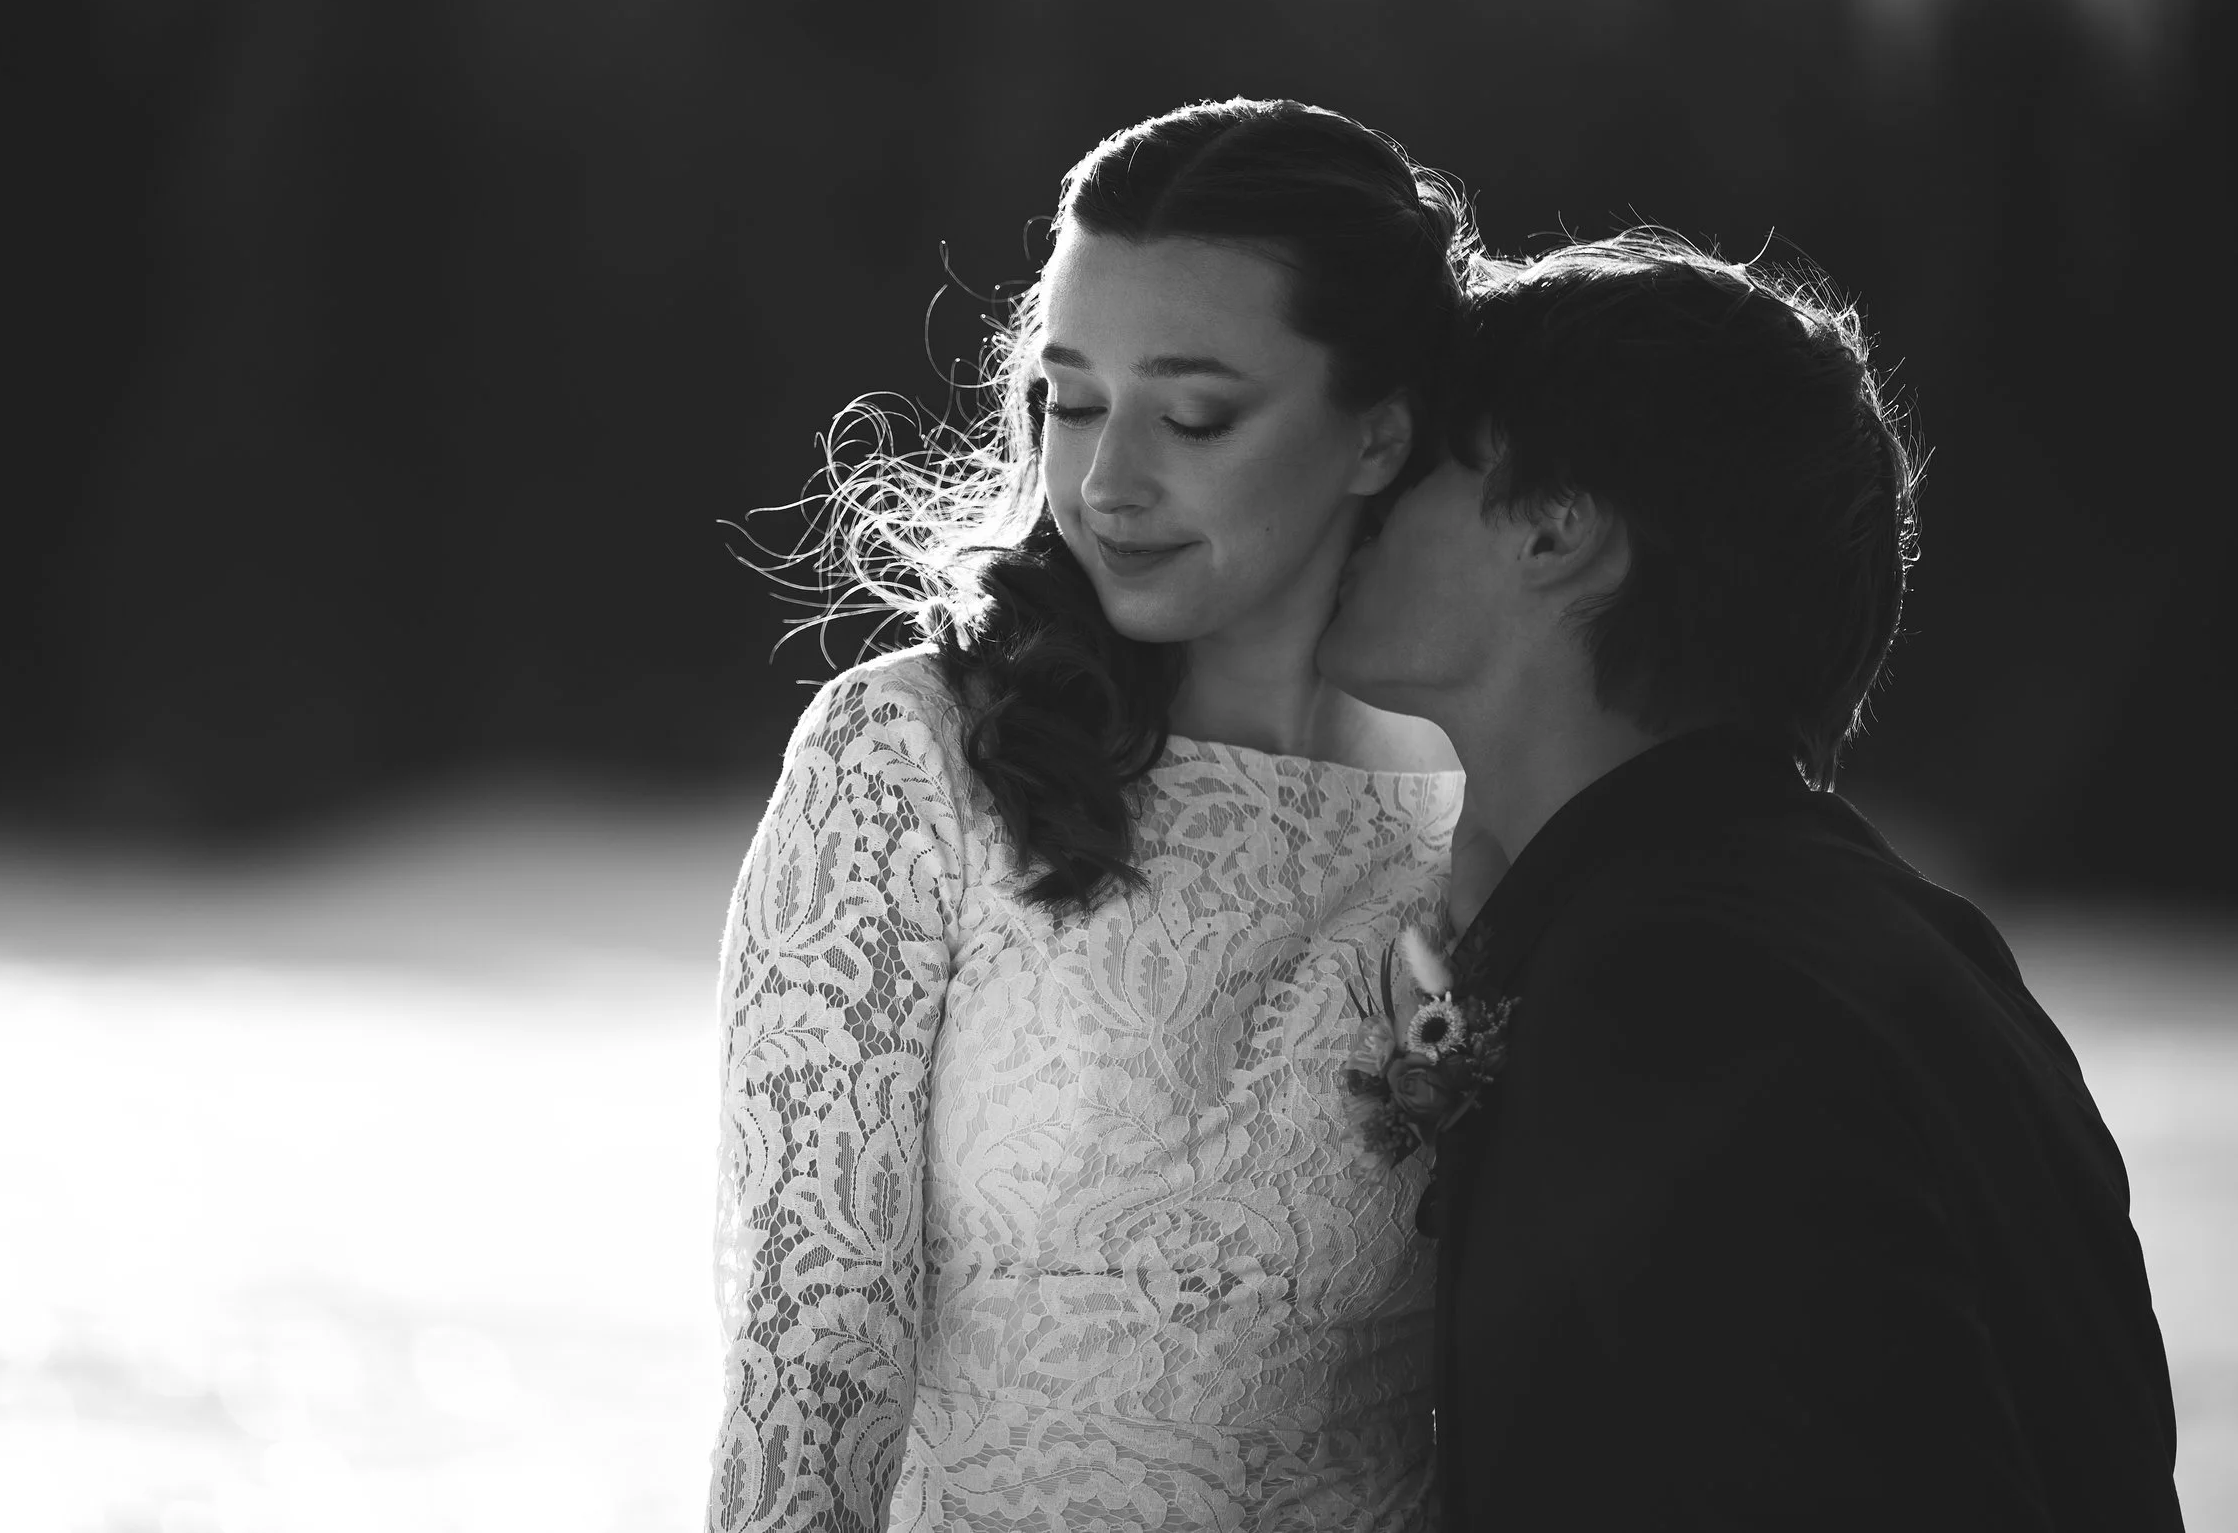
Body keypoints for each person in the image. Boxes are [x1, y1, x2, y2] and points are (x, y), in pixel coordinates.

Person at [1318, 233, 2185, 1530]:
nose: (1358, 501)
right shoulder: (1910, 940)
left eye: (1423, 460)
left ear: (1558, 530)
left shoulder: (1678, 992)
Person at [710, 98, 1475, 1531]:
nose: (1108, 481)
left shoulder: (1483, 805)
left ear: (1377, 434)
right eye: (1069, 397)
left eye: (1195, 415)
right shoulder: (914, 758)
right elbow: (809, 1361)